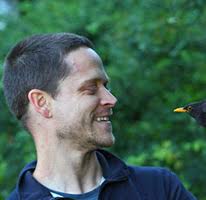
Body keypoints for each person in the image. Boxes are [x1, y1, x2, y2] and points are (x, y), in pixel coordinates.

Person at [3, 33, 196, 200]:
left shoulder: (160, 189)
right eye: (90, 89)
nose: (111, 99)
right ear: (42, 103)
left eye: (106, 86)